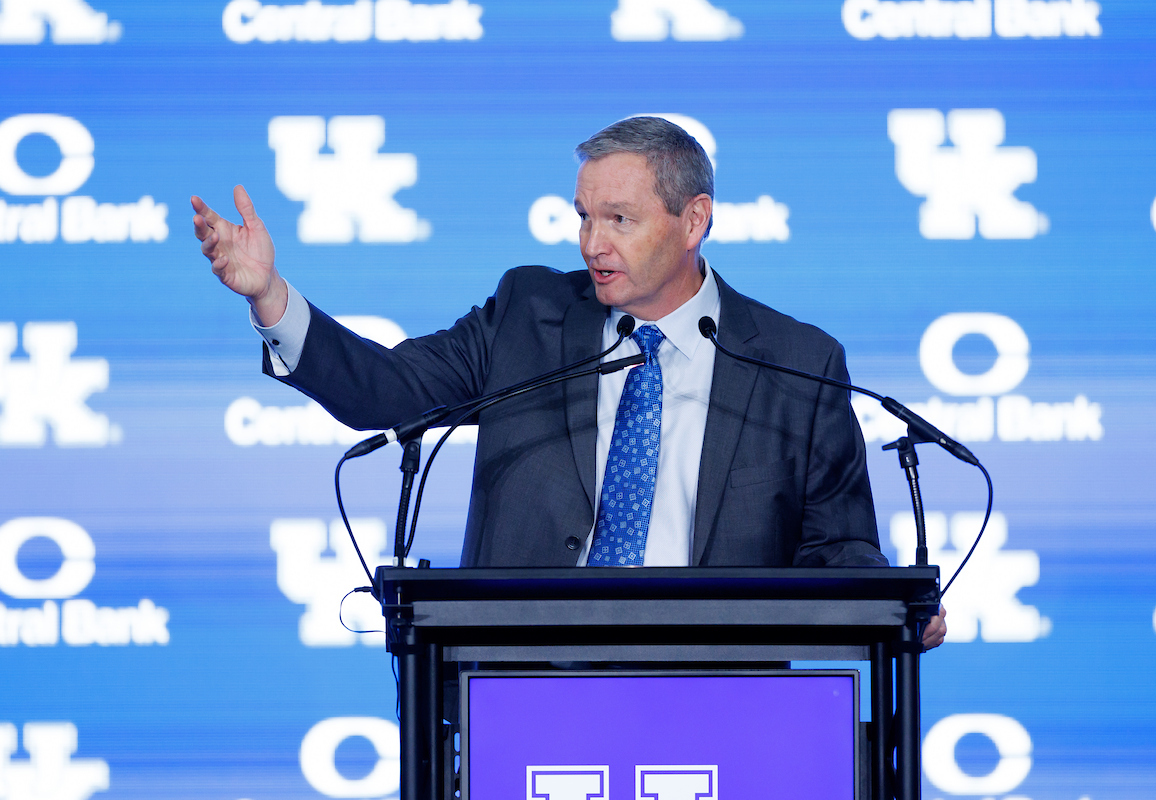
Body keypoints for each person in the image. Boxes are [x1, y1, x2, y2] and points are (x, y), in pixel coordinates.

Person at [192, 116, 946, 649]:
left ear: (694, 221)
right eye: (584, 216)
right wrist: (271, 297)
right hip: (520, 678)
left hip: (716, 687)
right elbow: (384, 390)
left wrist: (899, 608)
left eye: (619, 219)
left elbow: (838, 549)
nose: (592, 243)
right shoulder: (529, 315)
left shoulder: (795, 362)